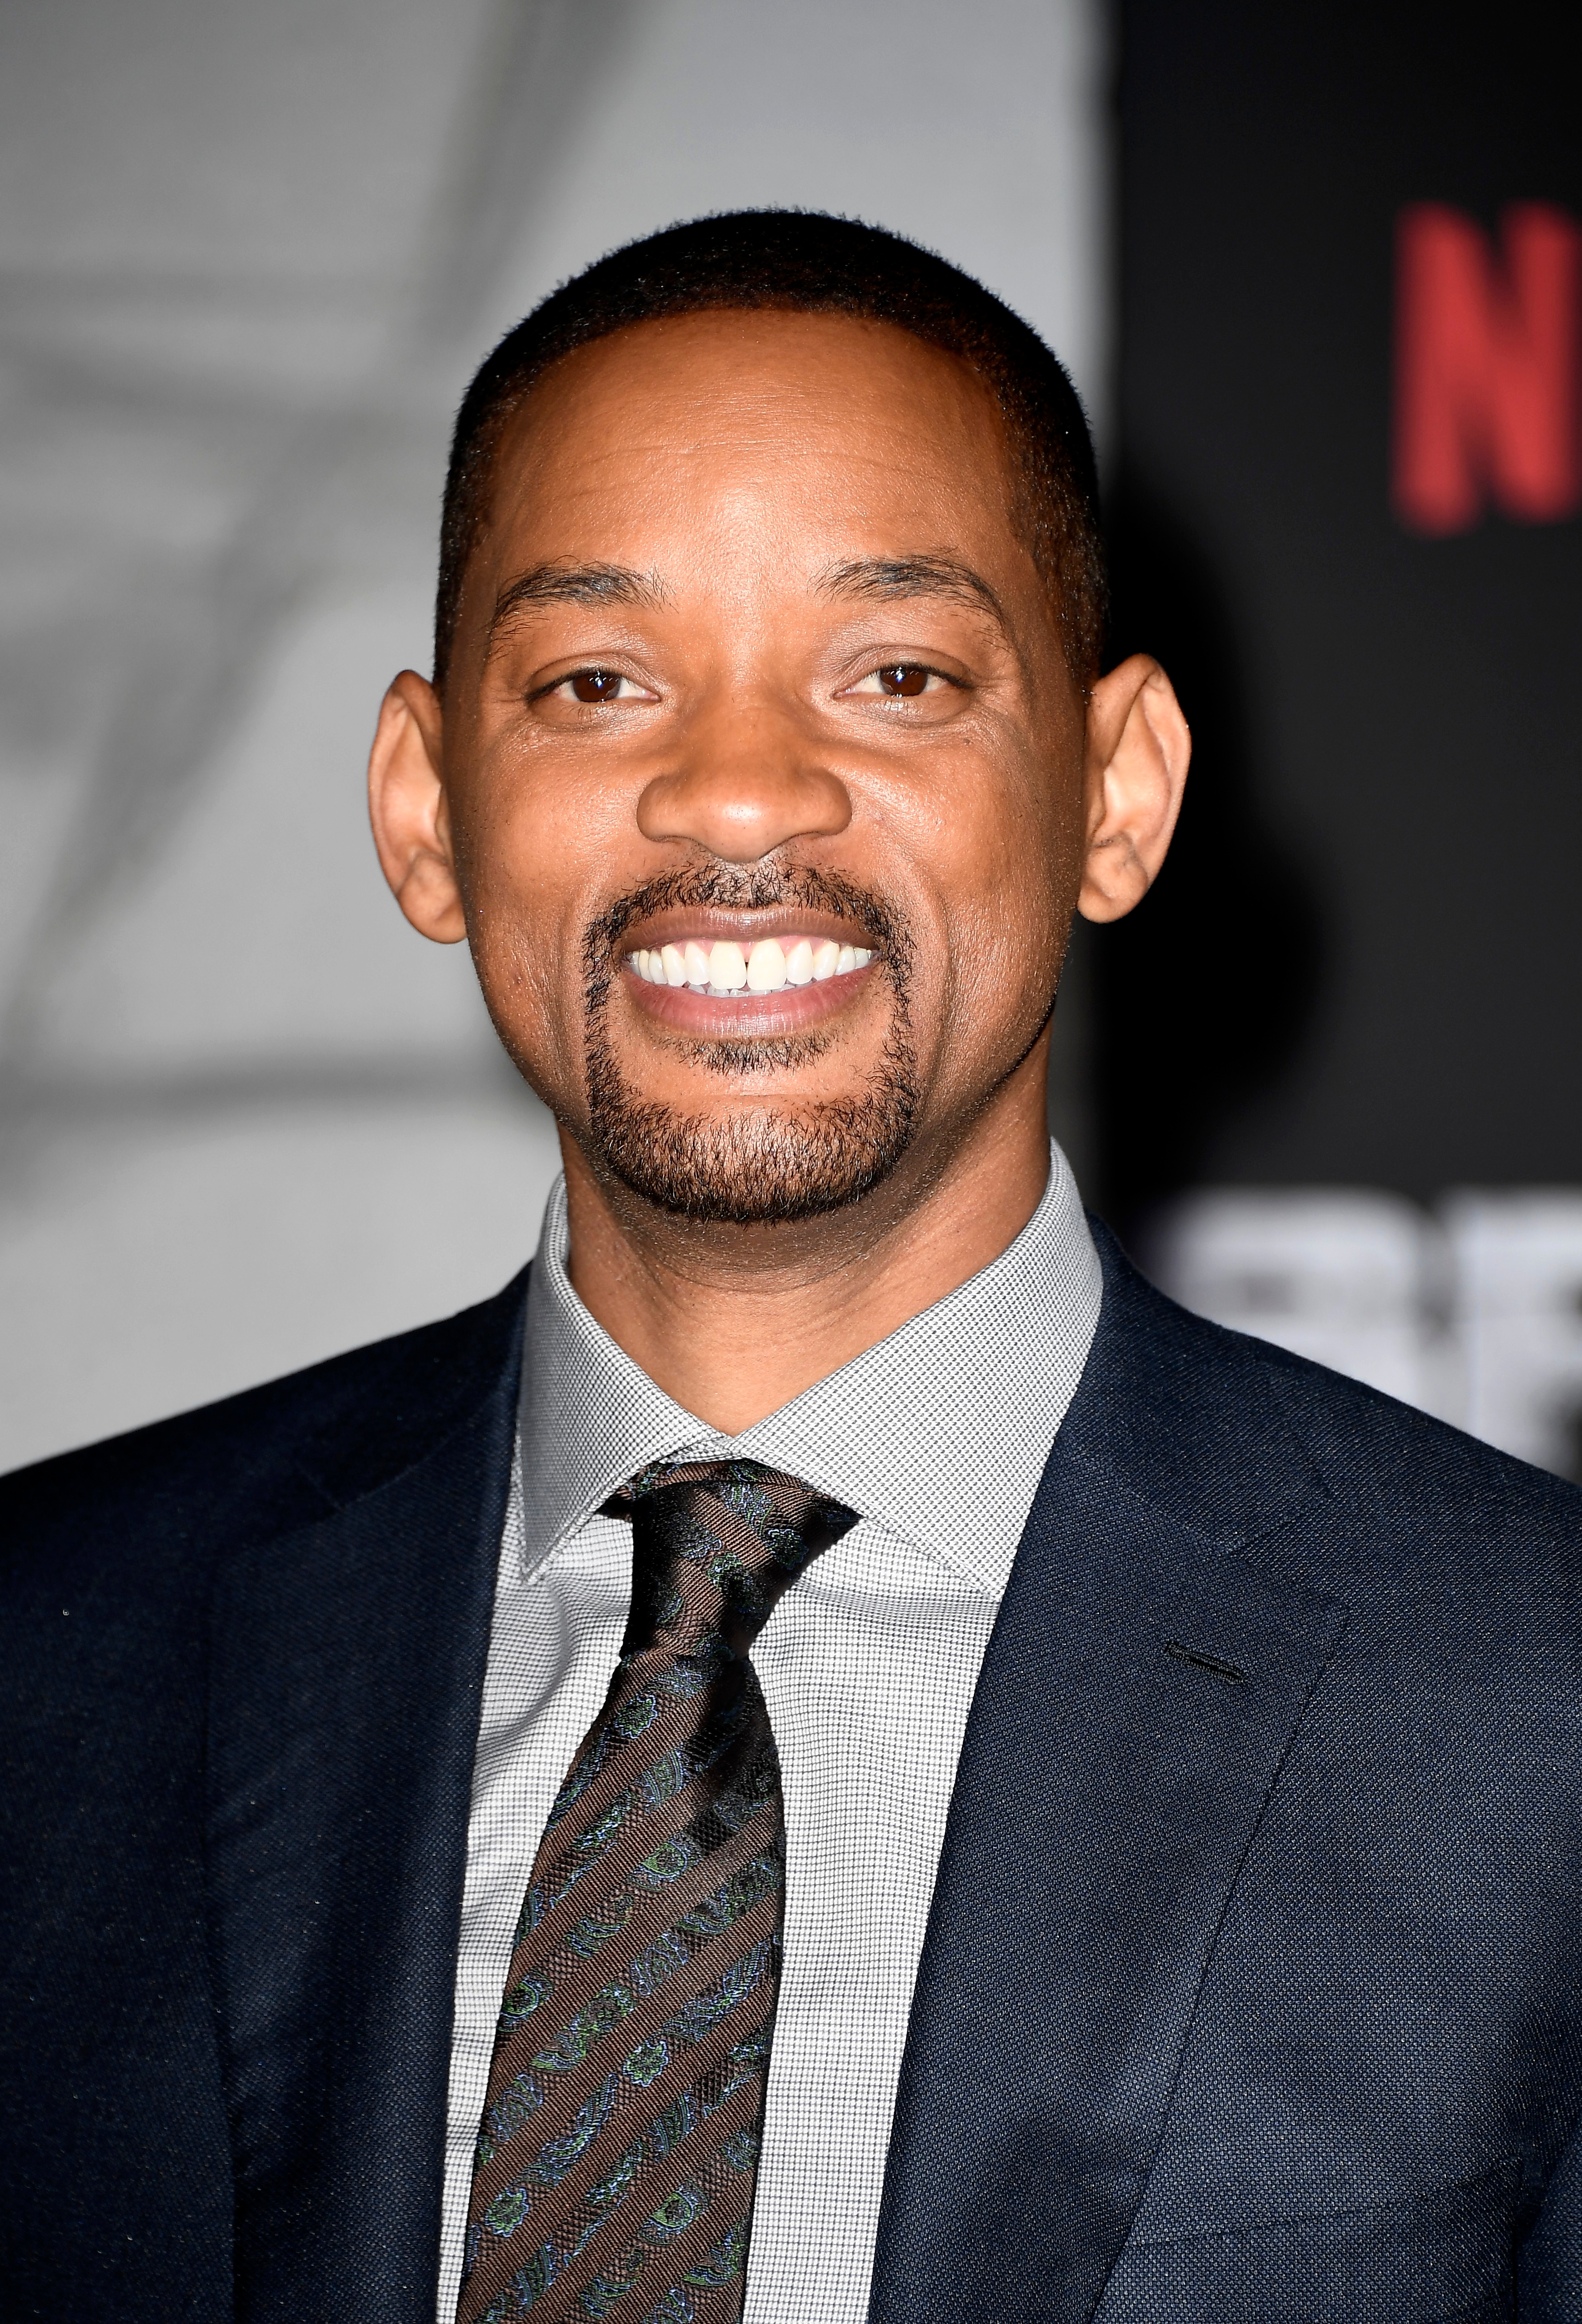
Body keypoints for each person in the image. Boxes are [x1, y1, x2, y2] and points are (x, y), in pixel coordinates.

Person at [2, 211, 1579, 2324]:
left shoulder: (1529, 1715)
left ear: (1113, 793)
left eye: (897, 675)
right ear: (426, 809)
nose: (736, 785)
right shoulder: (46, 1675)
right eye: (596, 681)